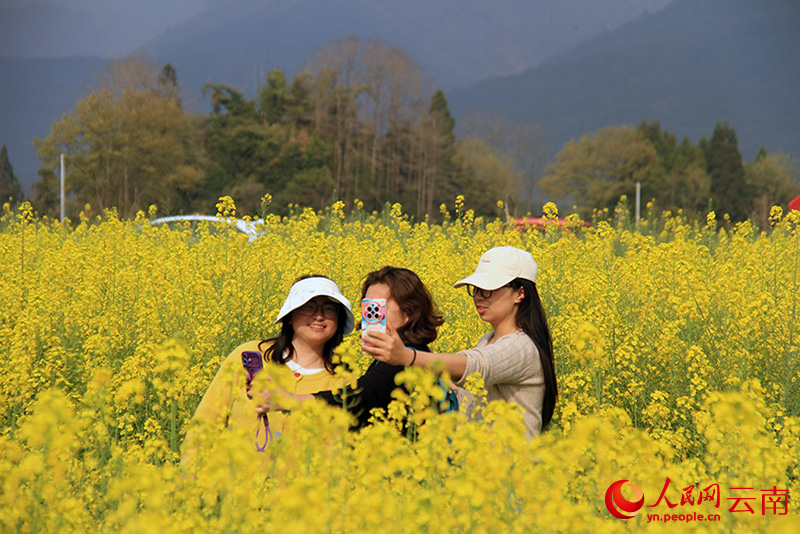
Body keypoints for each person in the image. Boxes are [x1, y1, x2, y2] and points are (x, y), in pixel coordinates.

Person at [363, 246, 558, 438]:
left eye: (488, 289)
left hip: (513, 466)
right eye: (476, 289)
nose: (479, 296)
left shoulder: (523, 346)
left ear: (520, 293)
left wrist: (407, 356)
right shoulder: (487, 341)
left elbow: (479, 365)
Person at [181, 275, 354, 465]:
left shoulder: (346, 380)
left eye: (329, 309)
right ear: (290, 316)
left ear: (338, 320)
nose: (319, 316)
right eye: (308, 306)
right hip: (235, 491)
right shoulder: (249, 356)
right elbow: (206, 423)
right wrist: (190, 479)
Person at [257, 266, 454, 431]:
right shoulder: (412, 357)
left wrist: (291, 401)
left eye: (379, 306)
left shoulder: (406, 361)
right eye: (367, 306)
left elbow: (360, 397)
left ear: (408, 313)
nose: (372, 314)